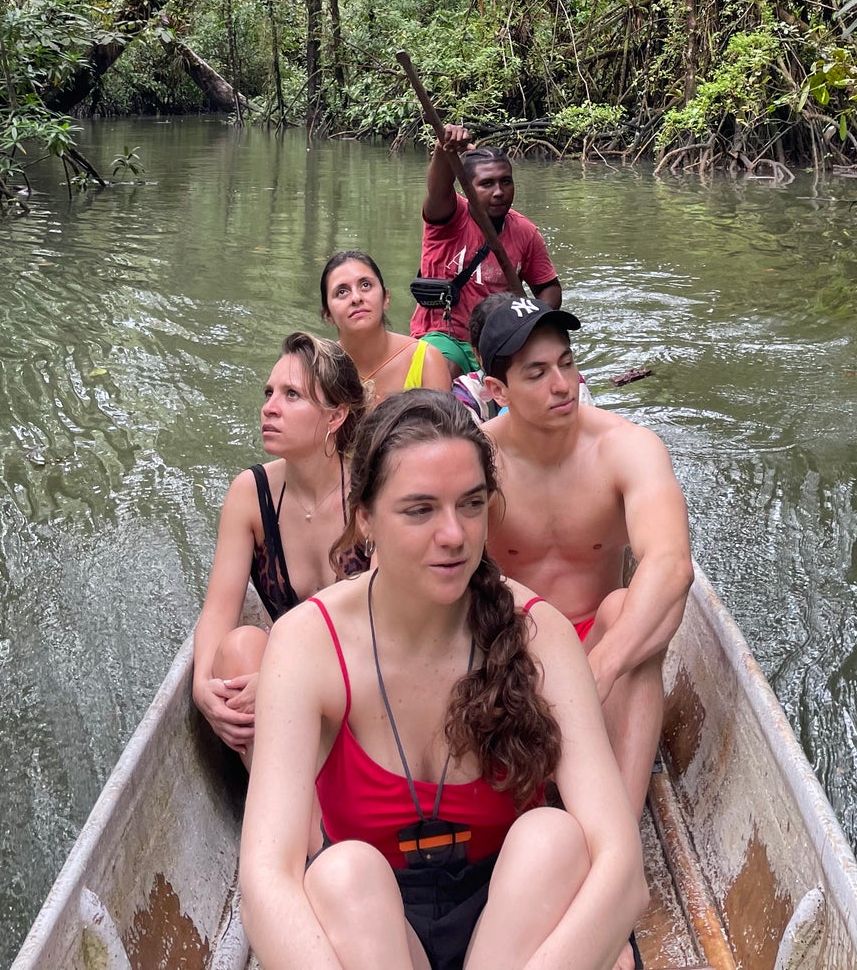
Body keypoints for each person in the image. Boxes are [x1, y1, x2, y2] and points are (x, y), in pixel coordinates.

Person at [239, 390, 646, 970]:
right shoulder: (309, 645)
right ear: (364, 518)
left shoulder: (537, 634)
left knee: (555, 841)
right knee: (339, 873)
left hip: (513, 925)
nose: (454, 535)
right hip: (374, 935)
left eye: (471, 504)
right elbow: (265, 881)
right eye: (420, 509)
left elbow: (622, 869)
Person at [476, 292, 694, 820]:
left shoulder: (627, 447)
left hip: (599, 648)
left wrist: (600, 667)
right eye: (536, 373)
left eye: (567, 364)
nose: (562, 385)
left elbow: (672, 564)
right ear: (496, 389)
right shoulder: (474, 460)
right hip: (509, 649)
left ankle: (614, 826)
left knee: (630, 608)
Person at [193, 332, 367, 758]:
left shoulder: (372, 494)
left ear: (335, 416)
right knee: (236, 649)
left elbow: (392, 637)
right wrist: (202, 689)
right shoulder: (250, 493)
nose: (269, 407)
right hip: (297, 701)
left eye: (292, 395)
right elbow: (218, 610)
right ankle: (301, 816)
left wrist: (285, 677)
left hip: (371, 683)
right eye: (269, 392)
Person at [408, 127, 562, 378]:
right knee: (443, 369)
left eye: (505, 181)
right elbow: (438, 190)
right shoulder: (449, 217)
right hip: (443, 335)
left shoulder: (525, 232)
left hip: (498, 341)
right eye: (487, 184)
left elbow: (549, 287)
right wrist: (442, 150)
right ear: (468, 188)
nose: (499, 192)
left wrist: (531, 318)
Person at [322, 250, 451, 402]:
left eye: (365, 285)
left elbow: (442, 425)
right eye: (342, 292)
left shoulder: (427, 360)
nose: (356, 298)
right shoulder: (321, 370)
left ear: (386, 298)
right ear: (328, 314)